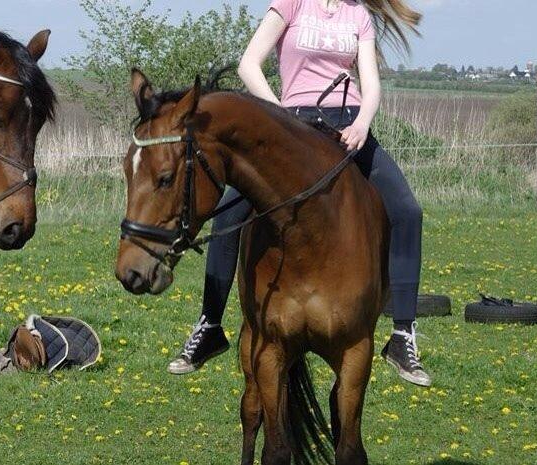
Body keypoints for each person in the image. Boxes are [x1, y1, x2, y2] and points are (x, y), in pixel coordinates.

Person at [168, 0, 431, 387]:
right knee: (228, 212)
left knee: (408, 212)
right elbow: (248, 64)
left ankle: (403, 335)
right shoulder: (290, 4)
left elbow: (370, 84)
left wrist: (361, 124)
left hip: (347, 128)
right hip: (292, 122)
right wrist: (278, 117)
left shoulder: (358, 15)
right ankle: (209, 325)